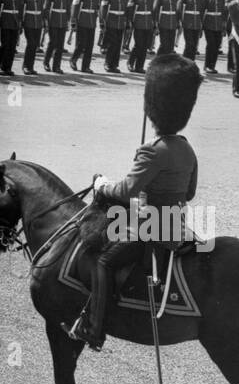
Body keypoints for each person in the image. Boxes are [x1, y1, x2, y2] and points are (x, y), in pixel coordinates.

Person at [68, 54, 201, 348]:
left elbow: (126, 190)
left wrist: (101, 185)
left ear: (155, 111)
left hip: (149, 229)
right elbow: (189, 193)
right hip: (175, 226)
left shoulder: (151, 150)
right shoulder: (186, 148)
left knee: (103, 261)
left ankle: (95, 329)